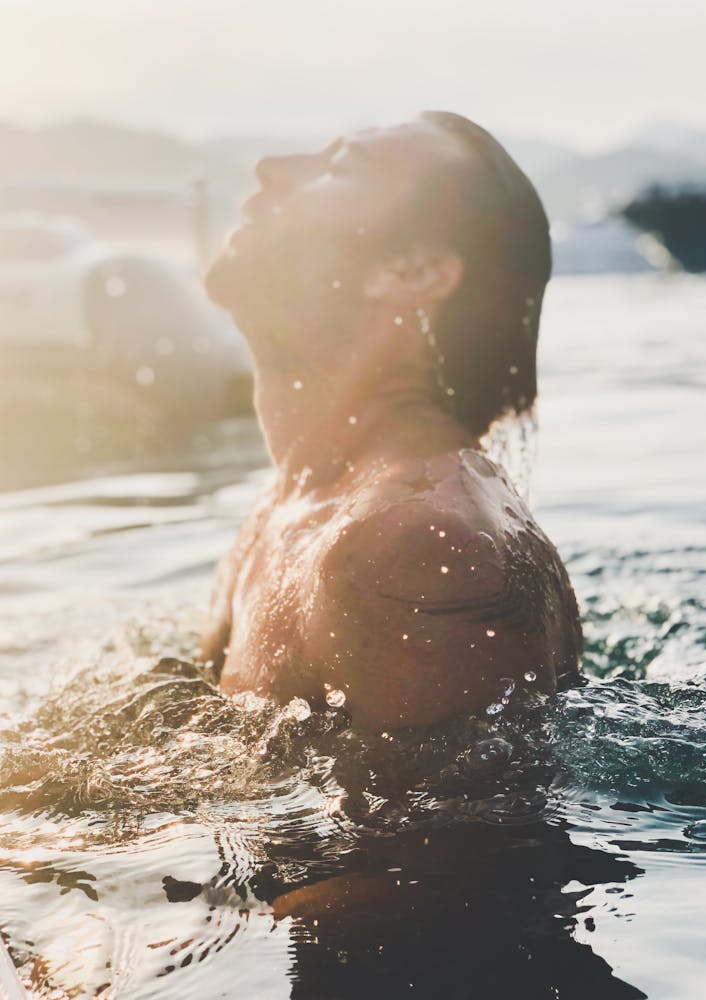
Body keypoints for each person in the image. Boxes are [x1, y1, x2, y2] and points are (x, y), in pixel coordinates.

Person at [201, 111, 581, 731]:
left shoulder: (418, 549)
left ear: (412, 273)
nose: (269, 170)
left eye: (341, 166)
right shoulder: (299, 501)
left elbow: (471, 831)